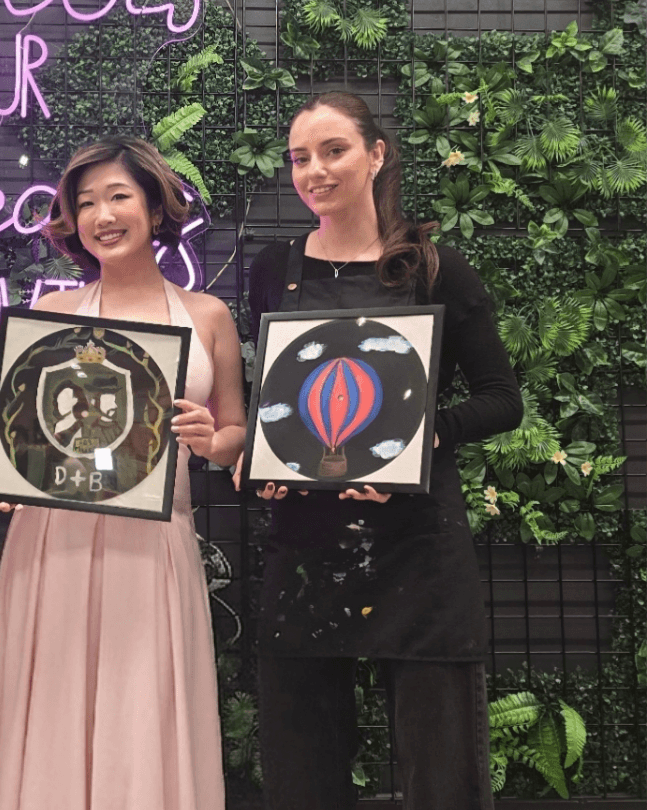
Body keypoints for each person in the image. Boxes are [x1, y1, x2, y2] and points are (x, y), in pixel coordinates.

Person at [235, 92, 522, 810]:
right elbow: (277, 402)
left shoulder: (435, 268)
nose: (314, 171)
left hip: (418, 548)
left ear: (376, 154)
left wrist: (421, 441)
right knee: (302, 772)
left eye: (333, 151)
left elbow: (500, 399)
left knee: (441, 773)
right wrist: (267, 460)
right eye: (301, 157)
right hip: (304, 547)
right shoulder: (275, 269)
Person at [0, 136, 246, 810]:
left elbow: (236, 432)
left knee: (145, 700)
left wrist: (215, 441)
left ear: (154, 207)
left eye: (118, 196)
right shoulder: (50, 317)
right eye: (84, 203)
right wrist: (3, 460)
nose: (101, 215)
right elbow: (20, 441)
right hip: (54, 539)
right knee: (53, 698)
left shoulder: (207, 316)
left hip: (154, 541)